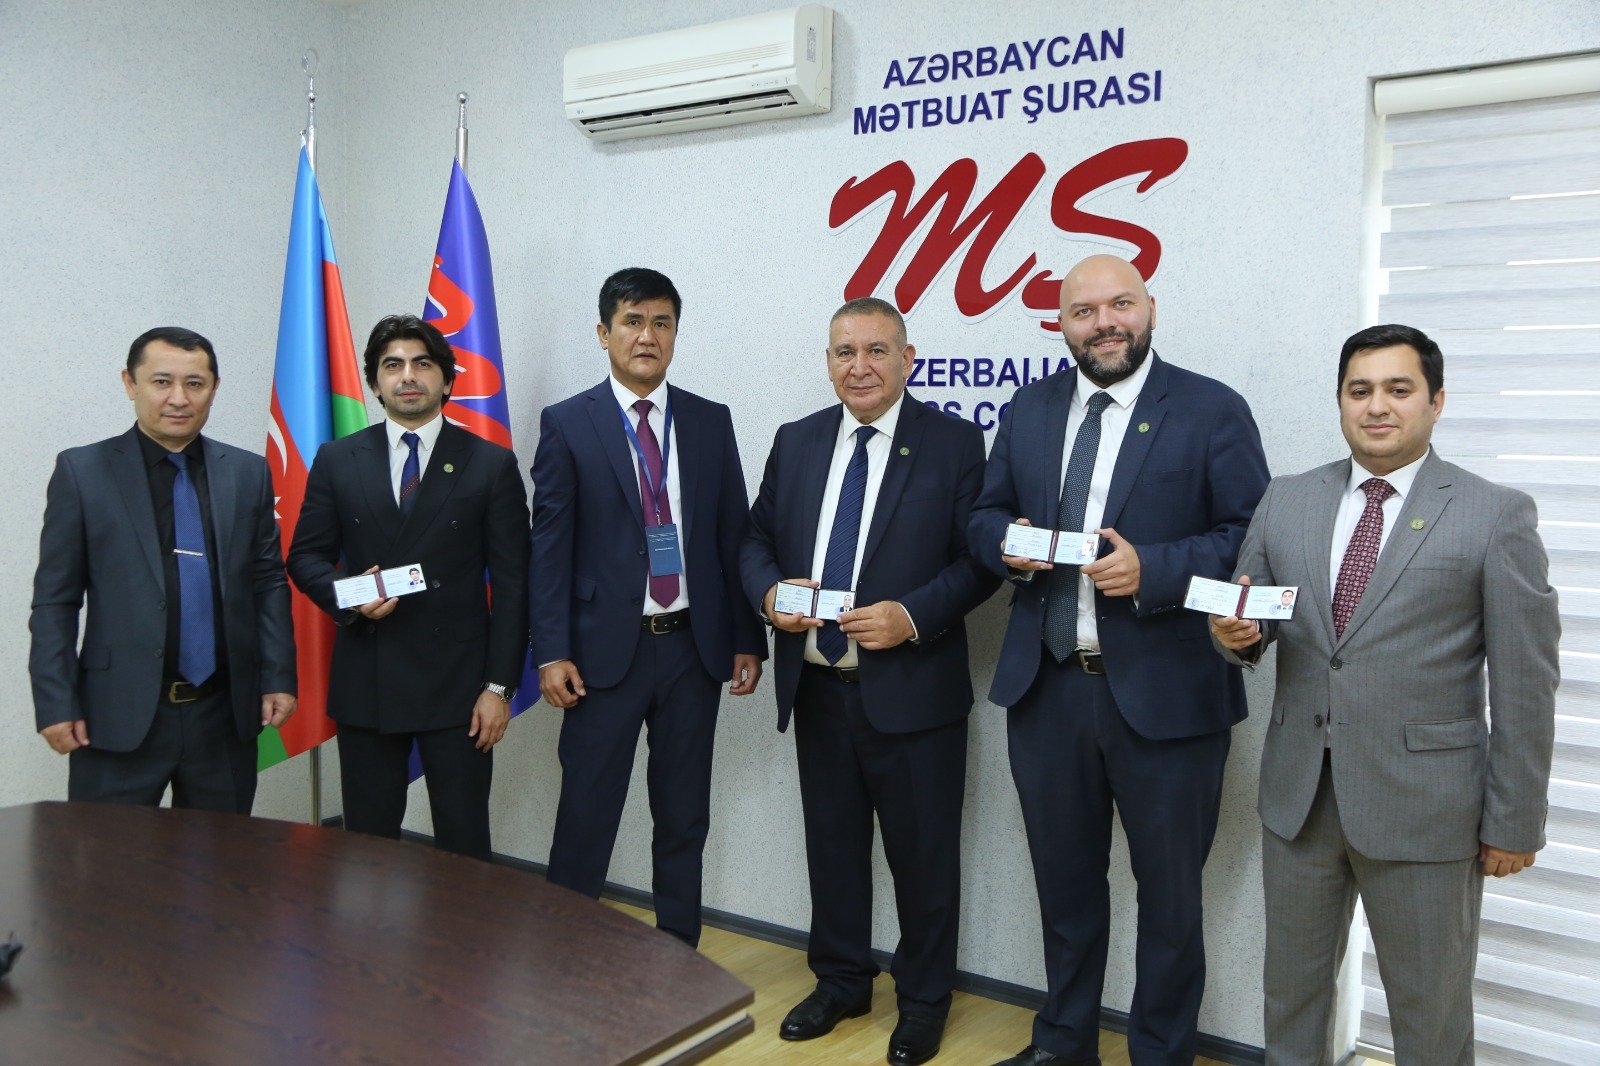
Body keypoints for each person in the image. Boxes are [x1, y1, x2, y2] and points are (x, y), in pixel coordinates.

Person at [1209, 324, 1559, 1065]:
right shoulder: (1287, 499)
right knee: (1291, 997)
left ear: (1436, 401)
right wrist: (1235, 637)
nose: (1377, 406)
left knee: (1430, 1012)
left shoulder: (1494, 513)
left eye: (1399, 390)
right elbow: (1252, 616)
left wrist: (1515, 819)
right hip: (1300, 798)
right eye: (1359, 390)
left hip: (1427, 807)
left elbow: (1527, 681)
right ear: (1340, 400)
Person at [969, 255, 1270, 1066]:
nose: (1105, 322)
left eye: (1120, 304)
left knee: (1170, 904)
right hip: (1048, 690)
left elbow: (1251, 537)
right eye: (1084, 311)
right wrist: (1003, 542)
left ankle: (1160, 1056)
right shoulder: (1030, 409)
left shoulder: (1210, 408)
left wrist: (1157, 570)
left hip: (1168, 697)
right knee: (1064, 891)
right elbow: (985, 512)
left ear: (1150, 309)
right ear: (1061, 324)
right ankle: (1064, 1044)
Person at [742, 297, 999, 1066]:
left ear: (908, 359)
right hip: (818, 688)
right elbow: (754, 537)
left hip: (914, 692)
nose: (860, 366)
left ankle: (922, 1003)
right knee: (833, 850)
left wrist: (912, 616)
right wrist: (768, 596)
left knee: (924, 862)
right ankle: (842, 981)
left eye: (877, 350)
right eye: (844, 352)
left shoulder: (954, 444)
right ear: (828, 362)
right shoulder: (797, 440)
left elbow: (980, 561)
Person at [529, 267, 766, 945]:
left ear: (675, 335)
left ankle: (678, 957)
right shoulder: (568, 423)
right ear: (604, 333)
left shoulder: (709, 420)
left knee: (684, 815)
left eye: (662, 323)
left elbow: (732, 533)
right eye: (632, 322)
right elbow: (549, 547)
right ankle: (566, 955)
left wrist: (746, 637)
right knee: (587, 813)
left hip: (693, 647)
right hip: (602, 654)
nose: (647, 336)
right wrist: (551, 650)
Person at [287, 314, 528, 861]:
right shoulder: (338, 459)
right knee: (368, 850)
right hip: (367, 680)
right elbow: (305, 557)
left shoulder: (490, 464)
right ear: (375, 384)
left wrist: (499, 688)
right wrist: (352, 596)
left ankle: (464, 925)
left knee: (464, 848)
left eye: (422, 363)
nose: (408, 376)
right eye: (392, 365)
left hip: (461, 689)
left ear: (447, 379)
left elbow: (514, 584)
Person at [30, 326, 296, 812]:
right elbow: (55, 601)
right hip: (117, 714)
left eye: (195, 383)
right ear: (130, 383)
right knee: (111, 856)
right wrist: (55, 701)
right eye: (161, 382)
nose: (179, 398)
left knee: (220, 857)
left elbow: (267, 582)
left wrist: (278, 675)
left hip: (223, 715)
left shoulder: (246, 473)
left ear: (214, 388)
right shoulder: (82, 472)